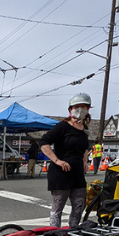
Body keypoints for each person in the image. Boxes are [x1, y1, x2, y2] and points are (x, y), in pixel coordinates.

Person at [39, 93, 94, 228]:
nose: (80, 109)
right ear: (70, 109)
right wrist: (57, 160)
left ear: (88, 110)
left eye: (83, 106)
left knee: (79, 207)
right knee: (58, 209)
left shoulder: (83, 130)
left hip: (77, 174)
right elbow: (43, 142)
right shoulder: (63, 126)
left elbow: (85, 148)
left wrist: (85, 161)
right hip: (61, 173)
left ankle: (73, 235)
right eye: (77, 106)